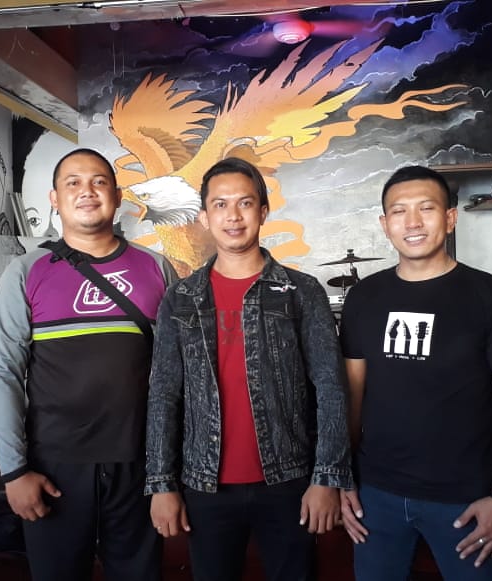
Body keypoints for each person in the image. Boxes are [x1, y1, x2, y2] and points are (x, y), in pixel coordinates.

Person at [146, 157, 353, 581]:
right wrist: (161, 483)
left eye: (245, 203)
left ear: (263, 211)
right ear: (204, 217)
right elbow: (164, 393)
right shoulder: (180, 297)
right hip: (205, 484)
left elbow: (331, 387)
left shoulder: (301, 291)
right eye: (220, 205)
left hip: (289, 481)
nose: (233, 216)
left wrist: (326, 478)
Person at [0, 148, 177, 581]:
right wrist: (14, 472)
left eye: (99, 181)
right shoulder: (25, 272)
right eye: (73, 182)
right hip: (52, 470)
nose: (87, 191)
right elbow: (5, 374)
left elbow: (178, 374)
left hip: (139, 467)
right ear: (54, 198)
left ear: (117, 195)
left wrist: (167, 474)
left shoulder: (156, 268)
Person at [338, 165, 492, 580]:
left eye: (426, 209)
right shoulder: (363, 298)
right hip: (377, 496)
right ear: (384, 224)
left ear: (450, 218)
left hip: (468, 498)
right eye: (399, 211)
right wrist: (344, 480)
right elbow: (352, 396)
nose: (412, 222)